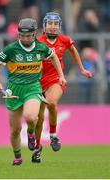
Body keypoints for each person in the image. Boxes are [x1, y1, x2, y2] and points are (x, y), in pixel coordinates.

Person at [0, 18, 66, 165]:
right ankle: (18, 156)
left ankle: (31, 133)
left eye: (28, 36)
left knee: (31, 117)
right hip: (13, 91)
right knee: (15, 130)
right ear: (18, 35)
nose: (25, 38)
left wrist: (61, 75)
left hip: (33, 88)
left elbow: (54, 57)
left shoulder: (41, 48)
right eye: (22, 35)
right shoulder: (11, 49)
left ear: (34, 34)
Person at [32, 12, 92, 163]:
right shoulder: (37, 42)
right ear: (44, 26)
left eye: (55, 24)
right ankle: (38, 148)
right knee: (38, 119)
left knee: (52, 102)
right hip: (38, 83)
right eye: (50, 24)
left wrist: (82, 69)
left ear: (59, 27)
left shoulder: (64, 40)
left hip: (56, 80)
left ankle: (53, 136)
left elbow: (73, 51)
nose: (52, 27)